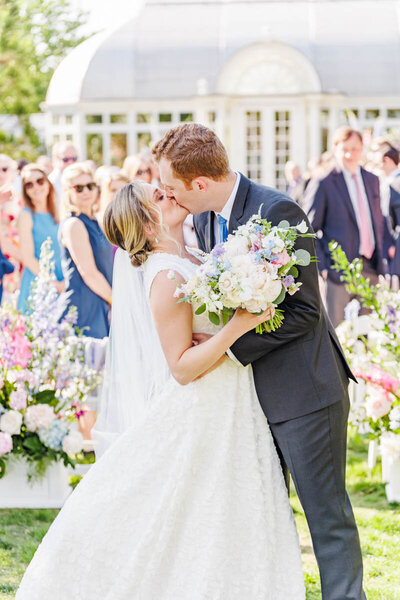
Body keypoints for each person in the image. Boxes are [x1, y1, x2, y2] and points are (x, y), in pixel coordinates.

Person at [16, 181, 305, 599]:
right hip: (205, 405)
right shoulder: (167, 276)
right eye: (158, 195)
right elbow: (182, 369)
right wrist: (237, 328)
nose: (168, 194)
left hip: (230, 401)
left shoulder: (185, 258)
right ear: (148, 224)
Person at [152, 123, 366, 600]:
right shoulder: (203, 216)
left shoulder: (277, 211)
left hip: (304, 392)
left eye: (171, 186)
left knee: (325, 517)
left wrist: (228, 346)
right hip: (244, 402)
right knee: (259, 516)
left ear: (200, 184)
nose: (165, 193)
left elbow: (307, 313)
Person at [306, 126, 384, 328]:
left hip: (370, 268)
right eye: (345, 149)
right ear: (335, 150)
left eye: (355, 148)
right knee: (337, 334)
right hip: (337, 272)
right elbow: (308, 230)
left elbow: (377, 222)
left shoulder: (372, 180)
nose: (350, 154)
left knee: (368, 334)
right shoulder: (323, 183)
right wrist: (323, 267)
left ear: (362, 149)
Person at [59, 162, 113, 339]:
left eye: (90, 186)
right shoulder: (74, 224)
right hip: (82, 307)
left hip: (100, 302)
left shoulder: (95, 222)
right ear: (68, 192)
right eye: (78, 188)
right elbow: (88, 273)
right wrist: (116, 302)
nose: (86, 192)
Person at [17, 165, 64, 313]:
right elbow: (28, 258)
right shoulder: (26, 215)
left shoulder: (58, 212)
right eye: (29, 184)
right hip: (39, 284)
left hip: (62, 280)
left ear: (48, 183)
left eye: (40, 181)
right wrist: (54, 284)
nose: (36, 187)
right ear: (25, 191)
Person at [374, 142, 400, 272]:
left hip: (394, 244)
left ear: (387, 161)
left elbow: (387, 218)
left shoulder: (391, 185)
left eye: (378, 164)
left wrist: (389, 244)